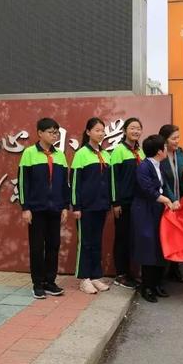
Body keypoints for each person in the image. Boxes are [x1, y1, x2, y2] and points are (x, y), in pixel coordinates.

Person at [18, 118, 69, 299]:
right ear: (39, 133)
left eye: (56, 132)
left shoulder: (60, 155)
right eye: (50, 132)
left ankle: (50, 282)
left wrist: (65, 205)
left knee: (54, 245)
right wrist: (25, 208)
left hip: (55, 208)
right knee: (37, 247)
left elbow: (65, 184)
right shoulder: (29, 153)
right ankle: (37, 284)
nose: (54, 135)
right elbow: (23, 183)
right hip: (36, 209)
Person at [131, 134, 176, 303]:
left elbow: (165, 186)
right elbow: (147, 189)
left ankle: (156, 284)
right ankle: (147, 287)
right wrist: (165, 199)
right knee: (148, 247)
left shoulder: (159, 165)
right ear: (159, 151)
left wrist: (172, 199)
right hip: (144, 210)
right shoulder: (144, 167)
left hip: (157, 209)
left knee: (159, 246)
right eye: (164, 147)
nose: (166, 149)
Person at [71, 117, 112, 295]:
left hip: (101, 206)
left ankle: (95, 276)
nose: (100, 133)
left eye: (102, 130)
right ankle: (84, 278)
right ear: (88, 132)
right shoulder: (81, 154)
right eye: (97, 130)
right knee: (85, 243)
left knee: (96, 242)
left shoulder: (106, 154)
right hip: (85, 207)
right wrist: (76, 206)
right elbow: (74, 183)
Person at [110, 118, 145, 289]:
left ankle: (130, 273)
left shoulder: (141, 151)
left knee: (132, 238)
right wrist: (115, 202)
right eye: (132, 128)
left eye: (138, 128)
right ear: (124, 131)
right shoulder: (119, 151)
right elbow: (113, 178)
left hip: (138, 203)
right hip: (123, 203)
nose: (135, 131)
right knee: (122, 238)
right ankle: (121, 274)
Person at [158, 124, 183, 283]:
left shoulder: (180, 152)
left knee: (178, 235)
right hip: (165, 202)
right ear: (164, 140)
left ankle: (175, 269)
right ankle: (162, 270)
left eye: (178, 137)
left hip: (179, 201)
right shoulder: (160, 157)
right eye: (174, 138)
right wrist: (171, 199)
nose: (177, 141)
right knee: (166, 236)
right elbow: (163, 183)